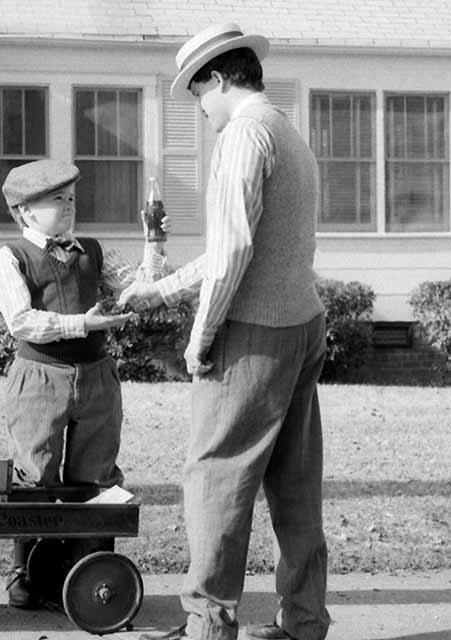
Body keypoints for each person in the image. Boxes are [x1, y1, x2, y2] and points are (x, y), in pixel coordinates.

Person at [119, 22, 330, 640]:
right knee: (294, 483)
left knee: (215, 479)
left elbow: (234, 247)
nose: (201, 109)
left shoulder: (242, 135)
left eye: (198, 94)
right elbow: (240, 247)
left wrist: (201, 334)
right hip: (302, 324)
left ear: (217, 78)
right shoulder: (286, 130)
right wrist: (158, 288)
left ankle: (208, 625)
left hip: (255, 334)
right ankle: (305, 622)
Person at [0, 158, 167, 609]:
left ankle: (89, 573)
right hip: (39, 377)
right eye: (55, 201)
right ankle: (26, 575)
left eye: (70, 199)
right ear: (25, 212)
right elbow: (21, 322)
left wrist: (154, 242)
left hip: (97, 375)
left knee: (97, 475)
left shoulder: (93, 250)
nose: (68, 208)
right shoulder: (11, 257)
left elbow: (141, 286)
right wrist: (80, 324)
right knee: (36, 475)